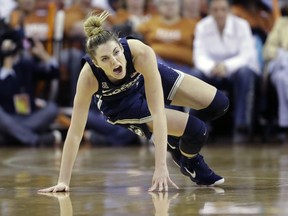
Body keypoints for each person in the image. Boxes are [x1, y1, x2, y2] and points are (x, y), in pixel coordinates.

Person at [38, 11, 229, 193]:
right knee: (196, 130)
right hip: (121, 105)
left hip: (141, 81)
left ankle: (178, 144)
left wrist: (161, 165)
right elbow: (74, 133)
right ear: (96, 63)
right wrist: (63, 180)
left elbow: (158, 112)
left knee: (219, 103)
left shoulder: (141, 53)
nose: (114, 62)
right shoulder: (88, 77)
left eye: (116, 52)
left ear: (122, 47)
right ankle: (190, 160)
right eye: (105, 59)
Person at [192, 0, 260, 143]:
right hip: (212, 72)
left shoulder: (242, 25)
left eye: (223, 9)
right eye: (215, 10)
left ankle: (241, 124)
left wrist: (226, 66)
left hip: (236, 71)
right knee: (196, 74)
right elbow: (199, 56)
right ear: (210, 11)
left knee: (245, 73)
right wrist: (212, 67)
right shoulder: (202, 26)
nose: (219, 13)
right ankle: (199, 125)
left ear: (229, 10)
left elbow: (247, 55)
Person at [0, 27, 61, 147]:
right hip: (8, 119)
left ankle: (13, 137)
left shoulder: (26, 66)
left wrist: (43, 54)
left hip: (29, 118)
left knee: (52, 108)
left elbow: (55, 73)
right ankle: (36, 140)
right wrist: (7, 68)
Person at [262, 15, 288, 142]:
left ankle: (284, 123)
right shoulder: (282, 23)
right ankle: (283, 124)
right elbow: (267, 50)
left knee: (283, 79)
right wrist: (281, 54)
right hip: (282, 66)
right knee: (281, 78)